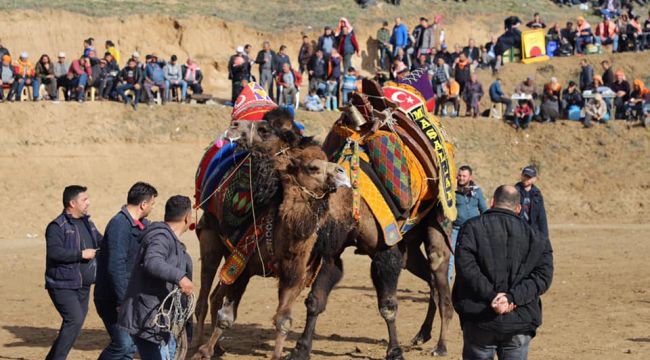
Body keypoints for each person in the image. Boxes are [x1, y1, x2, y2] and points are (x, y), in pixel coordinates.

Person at [453, 185, 553, 360]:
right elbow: (543, 277)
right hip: (519, 321)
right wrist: (511, 298)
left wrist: (493, 296)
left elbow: (465, 268)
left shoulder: (470, 228)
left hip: (479, 319)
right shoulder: (537, 236)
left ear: (492, 203)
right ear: (518, 208)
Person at [117, 195, 194, 360]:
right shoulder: (160, 237)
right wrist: (180, 277)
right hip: (148, 321)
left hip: (157, 322)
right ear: (188, 218)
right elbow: (153, 261)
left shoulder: (174, 244)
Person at [94, 182, 157, 360]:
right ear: (143, 204)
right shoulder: (119, 225)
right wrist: (123, 301)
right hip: (112, 298)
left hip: (129, 297)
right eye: (152, 204)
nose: (152, 207)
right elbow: (116, 267)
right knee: (123, 344)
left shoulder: (141, 224)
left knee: (129, 348)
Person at [45, 185, 102, 360]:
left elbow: (102, 241)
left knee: (73, 325)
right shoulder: (57, 226)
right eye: (84, 200)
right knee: (74, 320)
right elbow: (54, 252)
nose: (88, 203)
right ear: (72, 203)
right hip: (63, 284)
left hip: (83, 285)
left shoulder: (88, 224)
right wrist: (80, 254)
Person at [448, 165, 487, 282]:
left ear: (470, 177)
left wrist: (485, 227)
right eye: (459, 175)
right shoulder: (452, 191)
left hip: (473, 231)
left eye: (464, 176)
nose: (461, 178)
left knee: (475, 258)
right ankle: (446, 288)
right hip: (455, 229)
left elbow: (483, 209)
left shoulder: (477, 191)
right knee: (450, 258)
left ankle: (474, 285)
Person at [515, 166, 549, 239]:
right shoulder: (514, 192)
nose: (526, 179)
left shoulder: (537, 195)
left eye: (529, 177)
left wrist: (545, 238)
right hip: (517, 231)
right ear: (521, 176)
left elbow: (542, 217)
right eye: (524, 176)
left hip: (533, 233)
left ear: (535, 179)